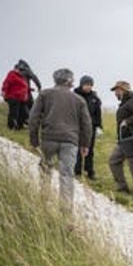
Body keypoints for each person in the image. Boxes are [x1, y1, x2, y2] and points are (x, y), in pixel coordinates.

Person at [27, 68, 92, 210]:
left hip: (49, 139)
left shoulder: (45, 94)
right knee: (67, 174)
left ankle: (42, 202)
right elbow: (87, 124)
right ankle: (65, 210)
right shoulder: (79, 100)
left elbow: (33, 118)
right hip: (70, 141)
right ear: (69, 81)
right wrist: (85, 144)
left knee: (45, 168)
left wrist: (34, 140)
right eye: (73, 80)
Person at [73, 75, 103, 179]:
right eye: (86, 84)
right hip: (77, 126)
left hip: (91, 128)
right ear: (81, 84)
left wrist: (99, 126)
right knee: (77, 149)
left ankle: (90, 171)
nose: (88, 87)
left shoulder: (94, 98)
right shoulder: (74, 95)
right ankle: (77, 171)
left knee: (89, 149)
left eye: (90, 85)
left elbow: (98, 113)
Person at [0, 64, 29, 130]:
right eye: (20, 69)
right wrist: (3, 91)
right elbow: (6, 82)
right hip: (14, 97)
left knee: (24, 113)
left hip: (22, 99)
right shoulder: (12, 74)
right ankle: (11, 127)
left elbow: (24, 86)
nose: (21, 71)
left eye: (22, 70)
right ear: (16, 68)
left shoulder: (22, 77)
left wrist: (29, 89)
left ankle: (19, 127)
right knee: (14, 113)